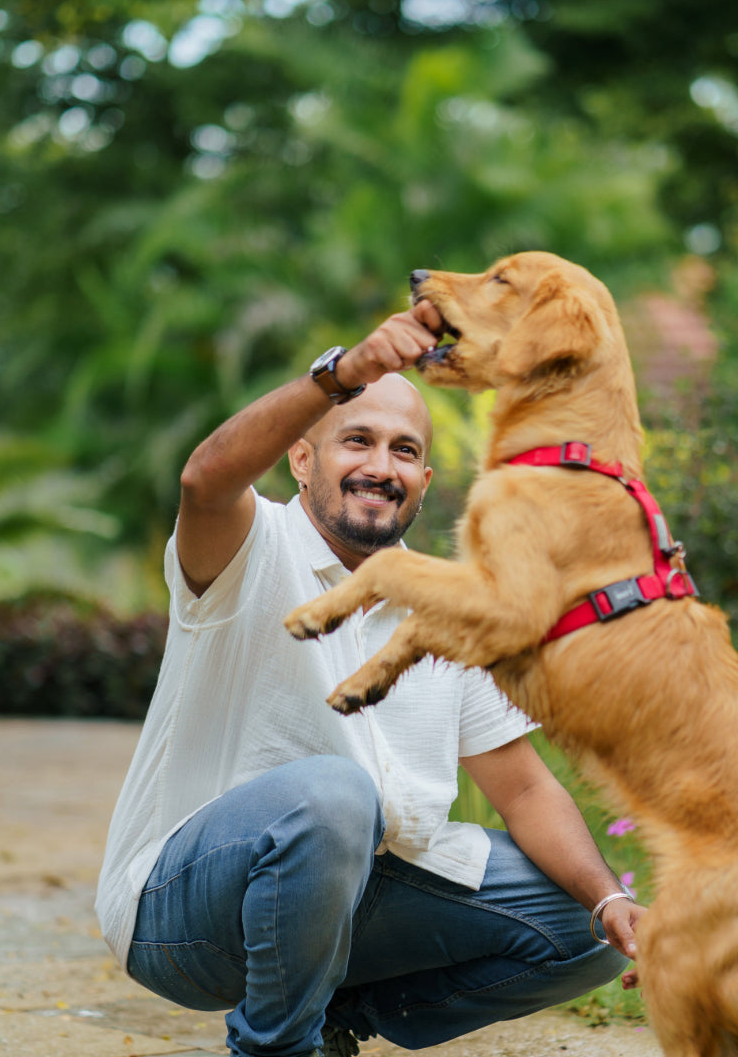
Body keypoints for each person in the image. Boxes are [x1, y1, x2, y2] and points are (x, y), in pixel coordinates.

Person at [96, 305, 644, 1057]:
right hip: (184, 916)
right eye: (357, 440)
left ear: (424, 477)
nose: (380, 467)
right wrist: (343, 373)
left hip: (360, 897)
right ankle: (275, 1047)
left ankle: (335, 1018)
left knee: (591, 932)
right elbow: (204, 479)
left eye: (402, 450)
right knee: (334, 794)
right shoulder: (250, 549)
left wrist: (609, 899)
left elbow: (523, 790)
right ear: (301, 461)